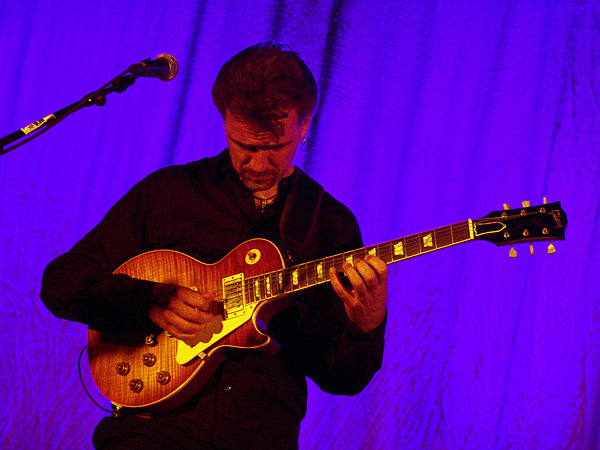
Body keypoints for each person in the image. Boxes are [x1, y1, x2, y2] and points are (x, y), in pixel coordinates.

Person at [41, 41, 388, 450]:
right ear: (224, 121)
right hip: (150, 433)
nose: (259, 164)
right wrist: (150, 299)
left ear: (305, 126)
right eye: (245, 145)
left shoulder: (329, 225)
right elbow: (61, 283)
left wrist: (368, 325)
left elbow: (341, 378)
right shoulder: (169, 194)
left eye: (275, 146)